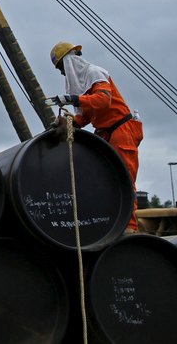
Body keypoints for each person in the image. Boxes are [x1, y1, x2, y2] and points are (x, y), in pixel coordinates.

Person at [46, 41, 144, 232]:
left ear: (69, 61)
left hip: (121, 131)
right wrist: (67, 124)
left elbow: (103, 101)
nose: (63, 73)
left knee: (124, 179)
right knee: (108, 179)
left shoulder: (94, 73)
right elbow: (86, 116)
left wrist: (74, 99)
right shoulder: (84, 85)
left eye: (61, 68)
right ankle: (114, 225)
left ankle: (130, 229)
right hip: (107, 134)